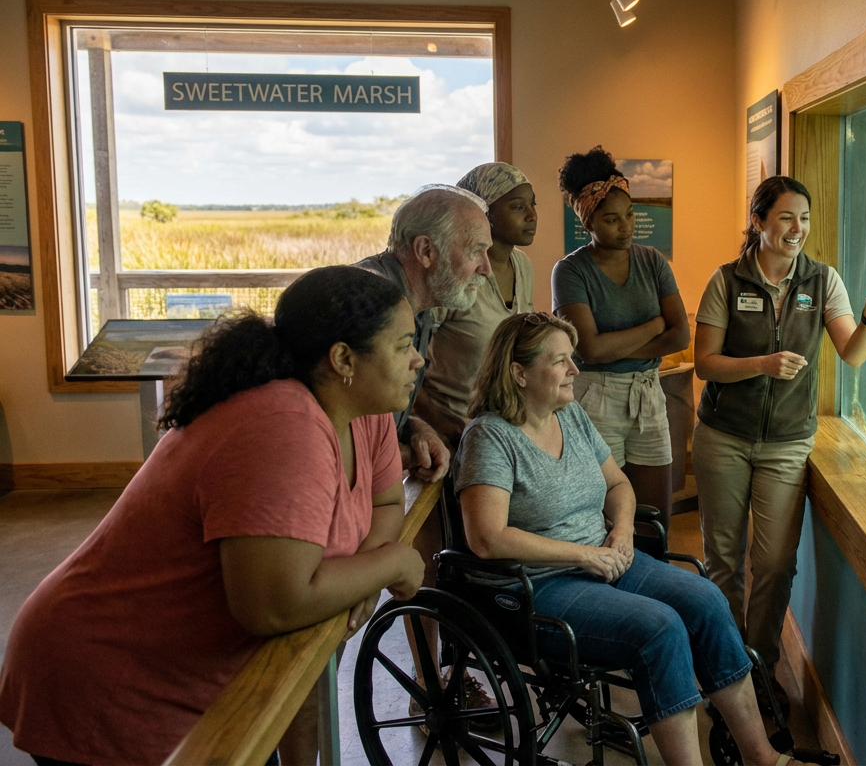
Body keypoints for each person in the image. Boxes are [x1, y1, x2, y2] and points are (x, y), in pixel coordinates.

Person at [0, 266, 426, 766]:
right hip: (112, 682)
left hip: (194, 682)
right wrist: (393, 564)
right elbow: (272, 604)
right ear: (343, 359)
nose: (418, 360)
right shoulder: (284, 425)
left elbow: (378, 504)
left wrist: (357, 579)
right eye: (403, 345)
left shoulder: (345, 412)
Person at [456, 312, 815, 766]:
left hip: (604, 558)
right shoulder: (490, 437)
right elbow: (487, 538)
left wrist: (621, 533)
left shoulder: (570, 416)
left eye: (573, 359)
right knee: (659, 629)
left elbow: (618, 486)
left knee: (705, 600)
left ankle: (762, 755)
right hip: (536, 585)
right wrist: (583, 555)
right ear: (518, 372)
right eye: (561, 361)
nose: (575, 370)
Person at [693, 175, 866, 678]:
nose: (797, 228)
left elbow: (852, 355)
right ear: (758, 221)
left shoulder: (823, 280)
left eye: (804, 218)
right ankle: (725, 668)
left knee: (773, 565)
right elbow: (705, 363)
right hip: (723, 436)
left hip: (787, 444)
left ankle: (759, 668)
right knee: (724, 560)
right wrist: (761, 364)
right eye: (786, 217)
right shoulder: (726, 281)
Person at [553, 146, 690, 535]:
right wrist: (651, 328)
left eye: (629, 215)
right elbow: (589, 349)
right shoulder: (570, 271)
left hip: (649, 390)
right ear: (588, 223)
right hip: (594, 393)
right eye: (611, 219)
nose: (625, 226)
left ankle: (648, 588)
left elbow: (680, 334)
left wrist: (619, 344)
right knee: (601, 520)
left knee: (654, 521)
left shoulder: (652, 261)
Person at [356, 182, 494, 483]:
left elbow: (376, 414)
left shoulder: (422, 304)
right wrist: (409, 454)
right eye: (475, 251)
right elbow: (350, 448)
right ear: (426, 250)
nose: (486, 269)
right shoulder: (372, 308)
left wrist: (414, 427)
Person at [416, 162, 539, 446]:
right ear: (482, 213)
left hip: (502, 429)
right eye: (518, 207)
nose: (532, 215)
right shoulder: (452, 272)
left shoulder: (522, 266)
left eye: (533, 205)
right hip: (451, 432)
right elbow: (408, 363)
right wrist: (441, 423)